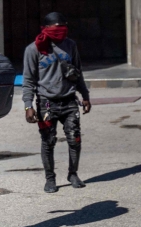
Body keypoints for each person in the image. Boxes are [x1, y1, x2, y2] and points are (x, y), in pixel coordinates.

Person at [22, 12, 91, 193]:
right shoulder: (34, 49)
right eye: (56, 29)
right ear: (45, 29)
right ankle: (50, 178)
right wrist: (28, 106)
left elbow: (78, 72)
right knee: (48, 141)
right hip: (46, 103)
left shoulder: (70, 45)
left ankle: (73, 174)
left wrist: (85, 95)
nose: (60, 32)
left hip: (69, 101)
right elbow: (28, 80)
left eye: (63, 28)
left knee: (74, 139)